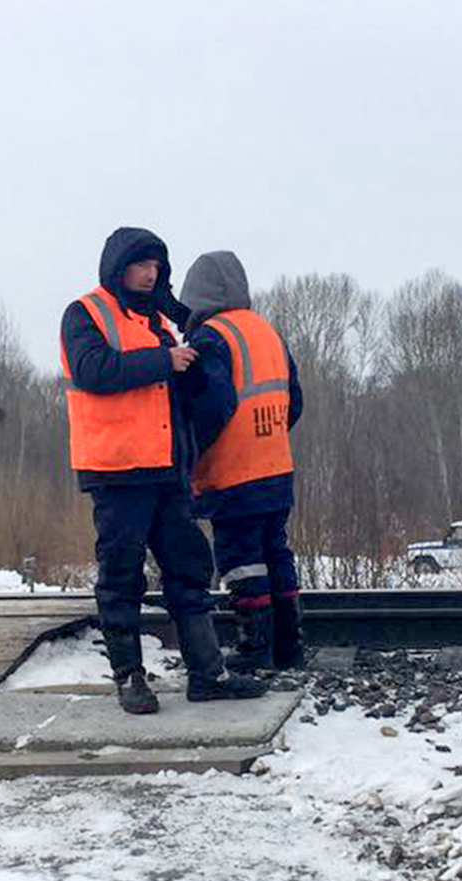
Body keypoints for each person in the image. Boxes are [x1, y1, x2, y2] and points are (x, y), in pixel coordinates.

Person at [59, 227, 269, 714]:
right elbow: (94, 369)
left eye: (157, 265)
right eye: (141, 264)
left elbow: (178, 384)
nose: (150, 272)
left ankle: (207, 674)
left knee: (189, 570)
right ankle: (129, 678)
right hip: (116, 472)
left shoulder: (158, 322)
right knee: (122, 576)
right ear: (119, 266)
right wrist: (165, 360)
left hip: (165, 470)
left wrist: (193, 365)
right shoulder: (84, 314)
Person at [178, 251, 304, 672]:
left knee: (240, 558)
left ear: (195, 296)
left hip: (234, 473)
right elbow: (295, 401)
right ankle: (290, 647)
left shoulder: (211, 338)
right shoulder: (267, 332)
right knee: (276, 553)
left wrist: (188, 454)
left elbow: (212, 405)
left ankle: (255, 648)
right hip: (276, 468)